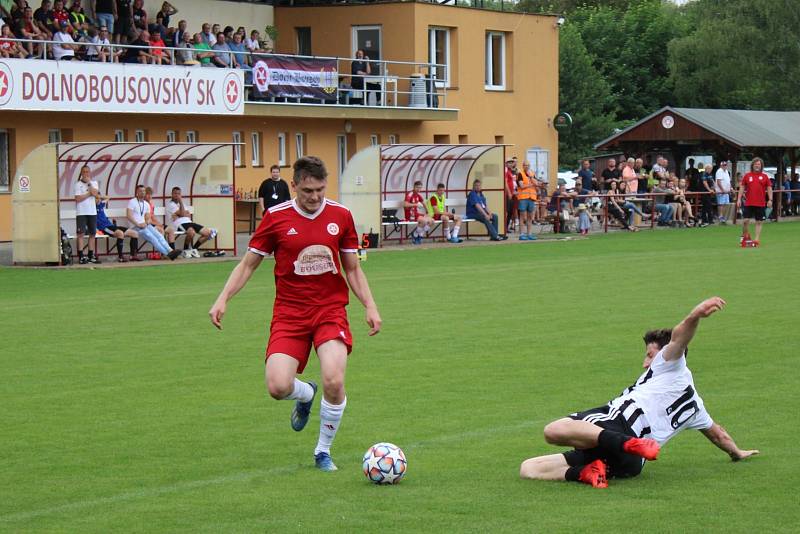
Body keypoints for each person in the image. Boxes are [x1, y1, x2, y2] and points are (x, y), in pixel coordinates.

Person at [209, 156, 381, 472]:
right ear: (294, 187)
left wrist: (370, 305)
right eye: (307, 191)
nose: (314, 197)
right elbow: (248, 264)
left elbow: (353, 269)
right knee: (277, 387)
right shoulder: (276, 218)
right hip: (289, 314)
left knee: (334, 377)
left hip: (330, 311)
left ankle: (322, 452)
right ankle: (306, 394)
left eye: (320, 189)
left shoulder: (341, 216)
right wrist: (223, 299)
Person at [520, 296, 759, 489]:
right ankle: (586, 473)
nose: (646, 362)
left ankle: (628, 443)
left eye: (650, 355)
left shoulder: (669, 365)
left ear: (666, 355)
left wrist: (695, 315)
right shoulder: (695, 405)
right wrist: (738, 453)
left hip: (620, 426)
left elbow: (679, 339)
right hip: (630, 465)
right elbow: (718, 436)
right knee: (529, 468)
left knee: (553, 430)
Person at [126, 184, 182, 260]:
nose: (142, 193)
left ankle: (170, 250)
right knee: (152, 237)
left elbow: (148, 218)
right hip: (135, 227)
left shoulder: (146, 204)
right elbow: (129, 216)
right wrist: (138, 224)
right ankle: (168, 254)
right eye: (140, 191)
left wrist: (146, 223)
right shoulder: (132, 202)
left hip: (145, 225)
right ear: (137, 192)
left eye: (143, 191)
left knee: (158, 235)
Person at [166, 186, 215, 257]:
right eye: (175, 193)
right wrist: (181, 204)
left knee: (208, 233)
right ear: (172, 194)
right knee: (191, 232)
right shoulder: (170, 205)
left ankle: (193, 249)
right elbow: (183, 213)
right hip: (179, 224)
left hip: (189, 222)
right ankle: (185, 250)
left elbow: (188, 214)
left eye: (179, 194)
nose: (177, 195)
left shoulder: (183, 205)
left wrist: (179, 214)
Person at [736, 157, 773, 246]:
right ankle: (745, 235)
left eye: (759, 164)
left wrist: (770, 199)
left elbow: (769, 188)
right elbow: (742, 187)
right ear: (752, 165)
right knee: (745, 221)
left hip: (760, 203)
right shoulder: (747, 176)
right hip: (749, 202)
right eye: (756, 164)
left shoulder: (765, 177)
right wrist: (738, 199)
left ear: (761, 166)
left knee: (759, 221)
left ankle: (756, 239)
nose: (757, 166)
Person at [96, 195, 138, 262]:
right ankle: (120, 257)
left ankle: (133, 256)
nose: (98, 200)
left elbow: (108, 197)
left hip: (111, 226)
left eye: (99, 198)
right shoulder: (91, 208)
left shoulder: (101, 205)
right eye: (96, 198)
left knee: (134, 233)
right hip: (104, 228)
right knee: (120, 233)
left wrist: (99, 197)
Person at [73, 164, 101, 264]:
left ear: (90, 173)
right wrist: (89, 194)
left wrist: (89, 184)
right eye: (84, 172)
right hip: (81, 213)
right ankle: (81, 256)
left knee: (92, 234)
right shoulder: (77, 184)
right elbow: (78, 199)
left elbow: (96, 193)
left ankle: (90, 255)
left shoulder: (94, 183)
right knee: (80, 234)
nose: (85, 174)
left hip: (92, 212)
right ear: (81, 173)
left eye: (87, 172)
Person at [404, 180, 434, 245]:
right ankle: (415, 236)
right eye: (417, 187)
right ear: (414, 187)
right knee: (424, 221)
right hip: (410, 215)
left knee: (432, 221)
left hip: (416, 214)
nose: (419, 189)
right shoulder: (410, 194)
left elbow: (424, 204)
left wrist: (428, 212)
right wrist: (415, 204)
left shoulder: (418, 195)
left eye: (420, 188)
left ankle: (418, 235)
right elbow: (405, 205)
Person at [516, 160, 538, 241]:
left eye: (528, 165)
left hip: (531, 198)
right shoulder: (520, 174)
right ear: (523, 166)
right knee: (522, 216)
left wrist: (531, 178)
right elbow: (521, 186)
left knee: (530, 217)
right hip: (523, 197)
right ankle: (522, 234)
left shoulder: (532, 174)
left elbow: (537, 183)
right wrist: (531, 184)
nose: (527, 166)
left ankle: (529, 234)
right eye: (525, 165)